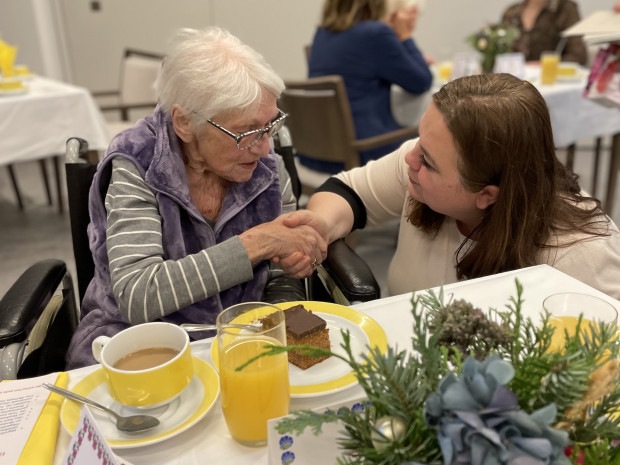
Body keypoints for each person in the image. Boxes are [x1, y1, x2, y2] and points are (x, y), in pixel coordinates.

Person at [66, 27, 327, 368]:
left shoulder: (267, 169)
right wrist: (257, 244)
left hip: (240, 340)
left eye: (270, 126)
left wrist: (288, 276)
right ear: (185, 123)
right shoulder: (138, 166)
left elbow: (281, 278)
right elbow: (137, 295)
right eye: (247, 133)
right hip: (136, 346)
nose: (265, 148)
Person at [282, 73, 620, 299]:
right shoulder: (417, 167)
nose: (410, 160)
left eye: (428, 162)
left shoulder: (584, 258)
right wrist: (322, 226)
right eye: (419, 141)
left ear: (487, 195)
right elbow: (347, 192)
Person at [303, 0, 433, 174]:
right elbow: (421, 82)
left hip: (318, 152)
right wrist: (405, 35)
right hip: (366, 151)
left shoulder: (322, 34)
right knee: (434, 137)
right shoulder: (375, 33)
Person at [501, 0, 588, 65]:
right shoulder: (511, 12)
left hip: (552, 82)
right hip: (513, 83)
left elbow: (578, 56)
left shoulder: (565, 9)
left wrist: (543, 65)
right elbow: (500, 52)